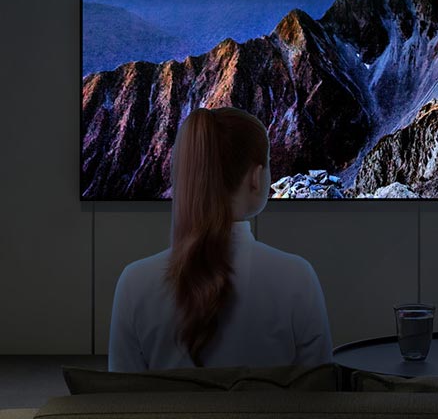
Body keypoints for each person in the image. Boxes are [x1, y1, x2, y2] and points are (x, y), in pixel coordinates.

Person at [108, 106, 334, 372]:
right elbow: (319, 393)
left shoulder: (133, 283)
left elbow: (122, 401)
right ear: (256, 178)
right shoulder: (297, 277)